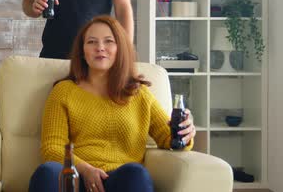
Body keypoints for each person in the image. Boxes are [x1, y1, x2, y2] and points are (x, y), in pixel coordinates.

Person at [29, 15, 196, 192]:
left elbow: (169, 138)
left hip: (121, 180)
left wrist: (185, 133)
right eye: (92, 42)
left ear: (120, 49)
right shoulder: (64, 91)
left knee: (136, 174)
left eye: (108, 41)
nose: (100, 48)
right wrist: (86, 170)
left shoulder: (139, 95)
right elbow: (51, 148)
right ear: (82, 52)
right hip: (75, 177)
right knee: (47, 172)